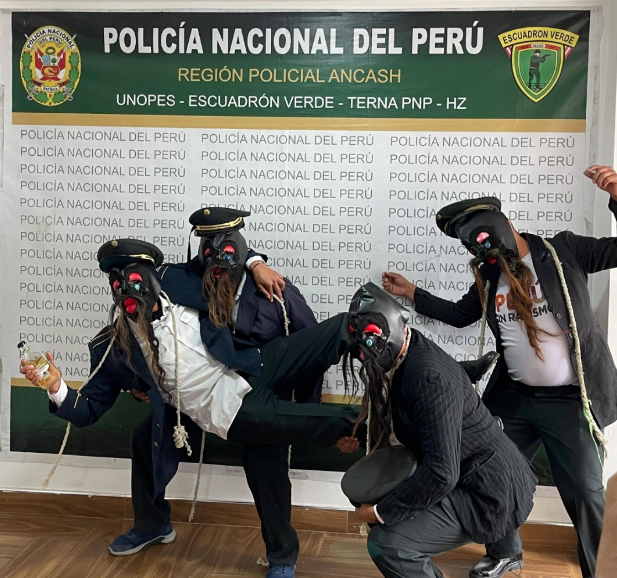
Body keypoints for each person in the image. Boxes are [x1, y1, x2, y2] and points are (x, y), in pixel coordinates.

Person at [21, 239, 361, 566]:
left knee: (342, 328)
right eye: (117, 284)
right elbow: (86, 409)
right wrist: (55, 386)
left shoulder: (183, 283)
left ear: (154, 277)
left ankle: (381, 349)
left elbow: (220, 244)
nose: (127, 290)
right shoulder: (113, 347)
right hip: (218, 406)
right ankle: (362, 429)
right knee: (152, 439)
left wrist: (255, 262)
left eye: (135, 280)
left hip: (253, 364)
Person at [382, 165, 617, 578]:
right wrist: (413, 293)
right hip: (516, 399)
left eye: (483, 239)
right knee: (488, 473)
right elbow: (461, 315)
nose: (481, 252)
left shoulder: (563, 251)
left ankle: (602, 572)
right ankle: (506, 552)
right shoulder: (491, 277)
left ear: (505, 224)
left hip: (570, 401)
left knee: (585, 491)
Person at [130, 207, 325, 577]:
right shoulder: (181, 281)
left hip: (257, 393)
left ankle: (282, 556)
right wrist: (142, 384)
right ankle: (152, 524)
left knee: (265, 462)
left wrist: (304, 411)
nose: (216, 263)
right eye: (208, 249)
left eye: (226, 252)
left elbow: (310, 349)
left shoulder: (277, 294)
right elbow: (141, 295)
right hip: (203, 391)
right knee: (146, 437)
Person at [343, 283, 536, 578]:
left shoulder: (428, 377)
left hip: (487, 489)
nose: (361, 356)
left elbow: (442, 473)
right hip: (473, 469)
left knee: (387, 543)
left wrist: (382, 512)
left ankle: (501, 550)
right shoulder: (410, 349)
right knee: (369, 497)